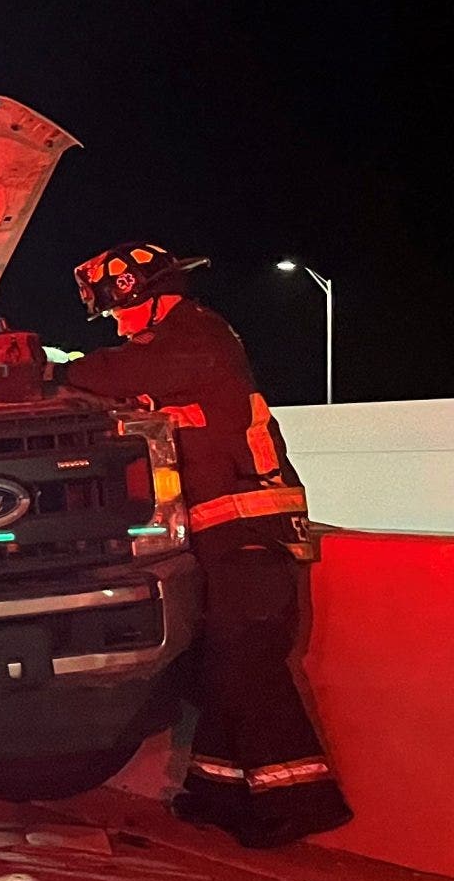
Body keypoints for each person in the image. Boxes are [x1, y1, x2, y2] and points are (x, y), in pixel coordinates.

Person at [61, 242, 350, 848]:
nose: (114, 324)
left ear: (142, 297)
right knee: (220, 663)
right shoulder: (174, 347)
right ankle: (219, 794)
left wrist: (46, 370)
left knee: (248, 663)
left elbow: (110, 373)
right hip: (220, 534)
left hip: (251, 532)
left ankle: (301, 803)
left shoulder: (198, 339)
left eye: (116, 312)